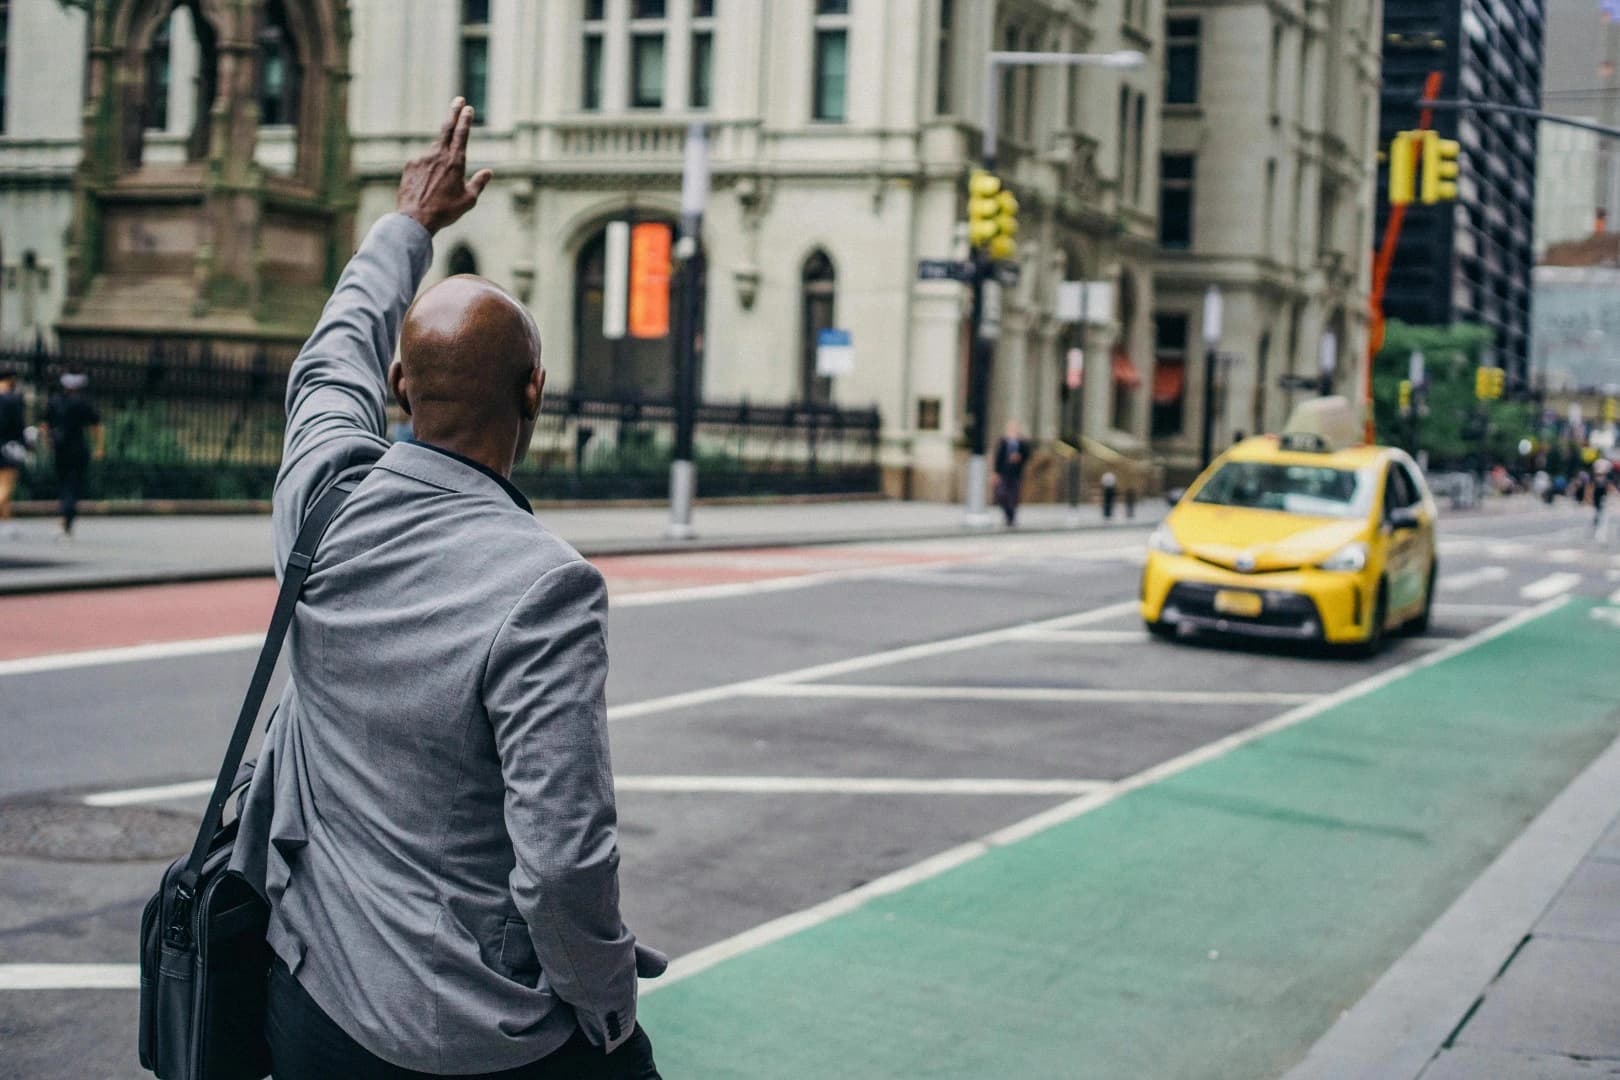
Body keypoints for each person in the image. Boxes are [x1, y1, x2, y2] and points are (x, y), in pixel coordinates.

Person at [230, 100, 663, 1079]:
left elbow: (326, 359)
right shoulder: (546, 585)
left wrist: (409, 225)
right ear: (535, 394)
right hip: (475, 1037)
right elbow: (563, 865)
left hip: (312, 999)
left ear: (396, 384)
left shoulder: (321, 502)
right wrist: (603, 1011)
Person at [41, 371, 101, 539]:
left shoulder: (54, 402)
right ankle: (67, 518)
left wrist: (48, 443)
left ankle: (64, 516)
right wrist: (99, 447)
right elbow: (96, 426)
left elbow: (45, 425)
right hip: (78, 449)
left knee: (63, 482)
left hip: (60, 449)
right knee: (73, 484)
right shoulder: (83, 403)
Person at [0, 369, 27, 539]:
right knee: (6, 486)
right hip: (7, 446)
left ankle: (6, 521)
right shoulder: (12, 399)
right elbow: (18, 426)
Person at [993, 420, 1031, 526]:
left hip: (1016, 473)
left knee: (1014, 496)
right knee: (1002, 494)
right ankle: (1008, 514)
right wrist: (996, 473)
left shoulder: (1022, 442)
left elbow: (1027, 456)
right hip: (1004, 473)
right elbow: (998, 458)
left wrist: (1019, 457)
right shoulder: (1003, 442)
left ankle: (1011, 517)